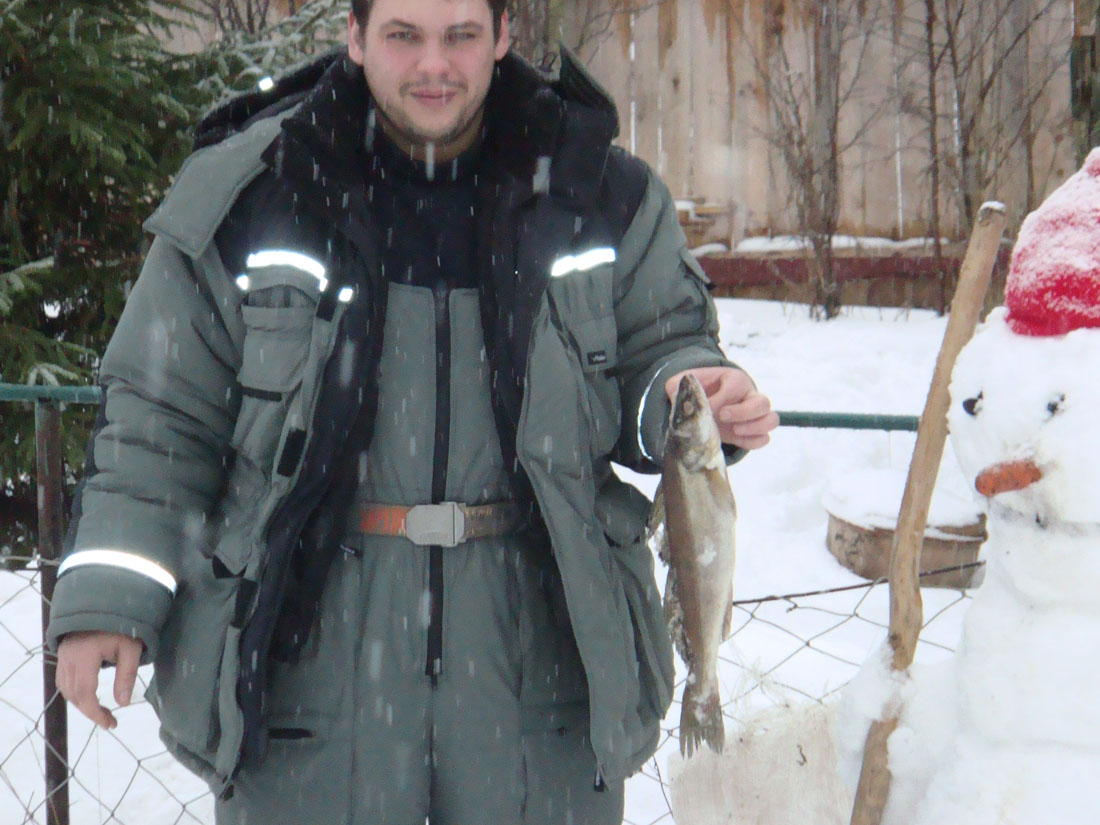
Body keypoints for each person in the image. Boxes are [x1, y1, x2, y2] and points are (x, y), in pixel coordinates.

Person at [48, 1, 778, 822]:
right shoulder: (257, 190)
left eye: (460, 35)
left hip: (542, 669)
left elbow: (664, 348)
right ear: (356, 36)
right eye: (404, 35)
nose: (435, 65)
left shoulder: (598, 193)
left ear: (503, 36)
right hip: (305, 665)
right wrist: (111, 589)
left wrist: (692, 395)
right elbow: (161, 411)